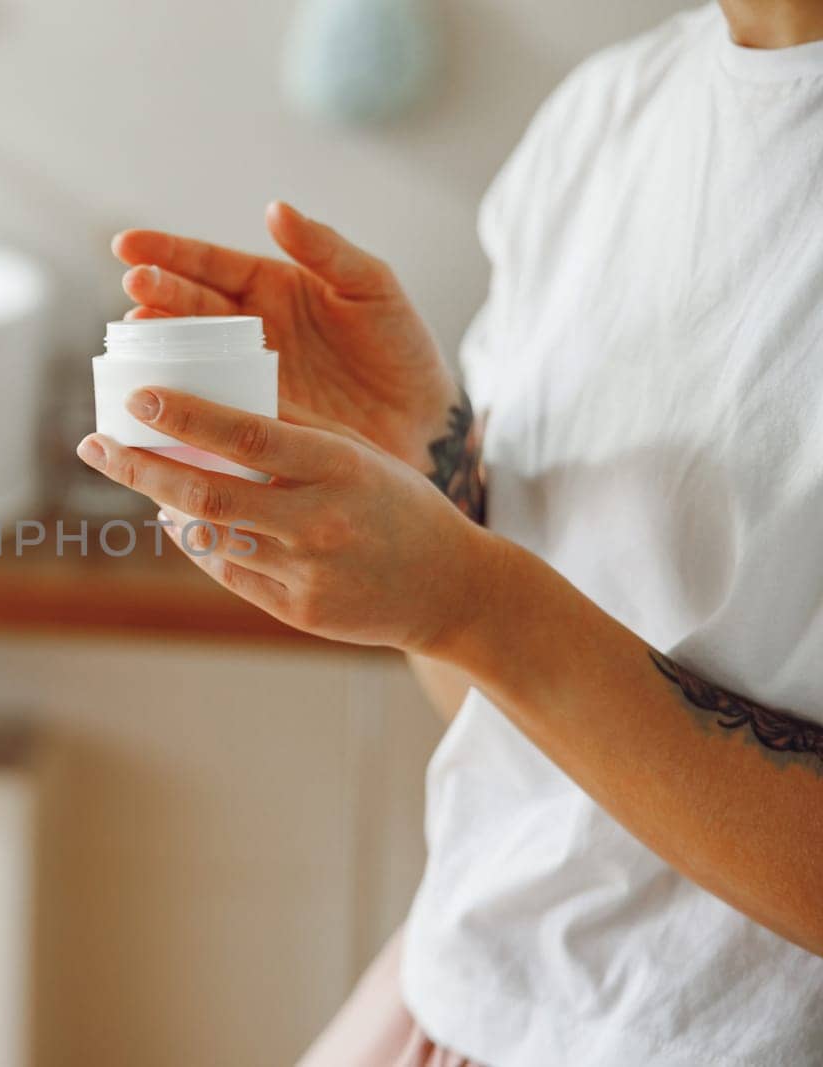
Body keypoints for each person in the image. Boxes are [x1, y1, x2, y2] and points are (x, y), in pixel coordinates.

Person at [75, 2, 823, 1064]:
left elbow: (505, 629)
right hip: (459, 1003)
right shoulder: (606, 119)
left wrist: (477, 597)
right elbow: (499, 710)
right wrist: (437, 466)